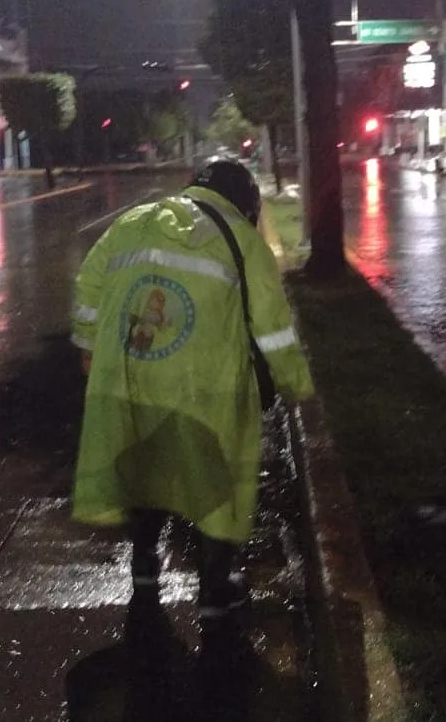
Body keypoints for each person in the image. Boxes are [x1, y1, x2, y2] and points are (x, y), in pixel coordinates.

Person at [70, 158, 315, 622]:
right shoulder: (244, 244)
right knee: (218, 489)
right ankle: (215, 591)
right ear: (245, 203)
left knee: (144, 476)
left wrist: (86, 346)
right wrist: (295, 384)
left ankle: (144, 575)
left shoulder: (133, 222)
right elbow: (273, 330)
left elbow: (89, 286)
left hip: (132, 381)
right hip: (208, 392)